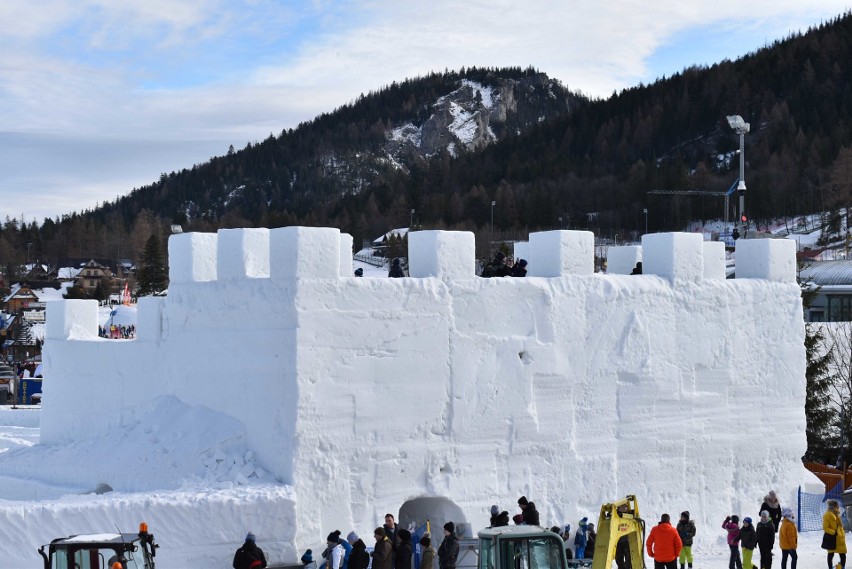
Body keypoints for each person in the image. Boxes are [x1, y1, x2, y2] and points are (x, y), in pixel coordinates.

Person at [823, 499, 847, 569]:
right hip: (833, 538)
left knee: (843, 554)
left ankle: (842, 567)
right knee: (831, 554)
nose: (838, 507)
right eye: (837, 506)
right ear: (833, 506)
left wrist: (842, 532)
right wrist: (833, 532)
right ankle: (830, 567)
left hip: (840, 538)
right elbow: (825, 527)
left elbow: (840, 526)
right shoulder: (827, 515)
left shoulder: (837, 514)